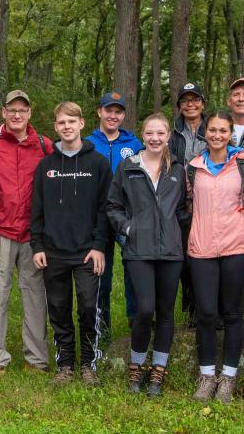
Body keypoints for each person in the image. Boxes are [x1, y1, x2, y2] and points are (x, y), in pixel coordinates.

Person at [106, 113, 188, 397]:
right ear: (143, 136)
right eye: (150, 133)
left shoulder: (178, 168)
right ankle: (136, 365)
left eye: (161, 134)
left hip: (170, 251)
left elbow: (185, 208)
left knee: (165, 312)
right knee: (144, 309)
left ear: (168, 137)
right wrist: (129, 228)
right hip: (138, 250)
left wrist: (178, 234)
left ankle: (158, 370)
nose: (155, 138)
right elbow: (113, 205)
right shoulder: (128, 167)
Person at [31, 102, 111, 386]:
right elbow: (36, 209)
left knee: (89, 307)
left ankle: (89, 364)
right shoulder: (46, 166)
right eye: (61, 122)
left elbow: (105, 208)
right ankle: (65, 364)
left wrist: (99, 245)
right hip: (53, 252)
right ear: (55, 127)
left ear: (81, 124)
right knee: (59, 308)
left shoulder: (98, 163)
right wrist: (37, 245)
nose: (67, 126)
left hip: (87, 251)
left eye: (71, 121)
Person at [0, 89, 53, 374]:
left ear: (30, 113)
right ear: (3, 112)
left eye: (22, 110)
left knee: (34, 295)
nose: (17, 114)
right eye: (12, 109)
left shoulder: (44, 145)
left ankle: (36, 358)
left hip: (32, 235)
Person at [186, 111, 244, 403]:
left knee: (233, 313)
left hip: (236, 247)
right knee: (205, 314)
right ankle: (206, 376)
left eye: (223, 131)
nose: (217, 135)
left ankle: (227, 377)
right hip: (201, 248)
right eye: (212, 130)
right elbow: (188, 203)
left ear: (230, 134)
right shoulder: (193, 166)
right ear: (205, 133)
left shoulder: (243, 164)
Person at [86, 92, 144, 343]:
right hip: (96, 217)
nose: (113, 115)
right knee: (101, 273)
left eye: (118, 111)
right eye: (108, 110)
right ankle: (102, 328)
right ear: (99, 112)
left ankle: (136, 321)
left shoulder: (135, 145)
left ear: (123, 115)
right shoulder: (87, 143)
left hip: (125, 215)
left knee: (134, 267)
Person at [173, 83, 207, 326]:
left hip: (209, 201)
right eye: (185, 100)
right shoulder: (173, 132)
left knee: (206, 257)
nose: (190, 104)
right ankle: (191, 307)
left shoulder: (213, 128)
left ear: (202, 103)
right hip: (180, 202)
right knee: (185, 257)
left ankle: (209, 308)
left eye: (195, 99)